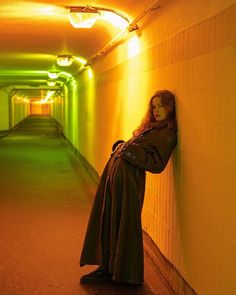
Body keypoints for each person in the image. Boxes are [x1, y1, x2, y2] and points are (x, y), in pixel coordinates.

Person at [80, 90, 177, 285]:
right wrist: (122, 145)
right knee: (108, 220)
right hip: (116, 179)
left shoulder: (167, 134)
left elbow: (156, 164)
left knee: (124, 224)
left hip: (129, 184)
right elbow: (136, 150)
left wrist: (128, 150)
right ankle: (107, 267)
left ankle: (125, 274)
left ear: (171, 108)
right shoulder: (151, 128)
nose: (156, 110)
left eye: (161, 106)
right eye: (154, 106)